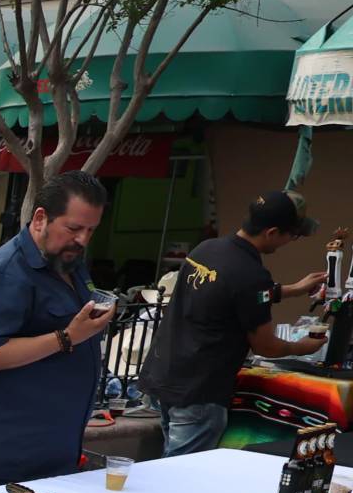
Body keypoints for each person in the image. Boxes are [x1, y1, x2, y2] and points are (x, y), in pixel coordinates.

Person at [0, 172, 115, 489]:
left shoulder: (69, 262)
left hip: (52, 453)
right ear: (39, 218)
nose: (83, 240)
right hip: (1, 459)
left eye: (91, 230)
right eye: (73, 228)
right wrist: (66, 338)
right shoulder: (3, 271)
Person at [137, 190, 329, 457]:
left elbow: (230, 295)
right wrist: (303, 347)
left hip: (166, 376)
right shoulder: (251, 274)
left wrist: (294, 289)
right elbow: (266, 347)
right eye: (292, 235)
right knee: (181, 476)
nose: (290, 241)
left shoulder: (207, 249)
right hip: (200, 391)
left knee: (169, 465)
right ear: (272, 232)